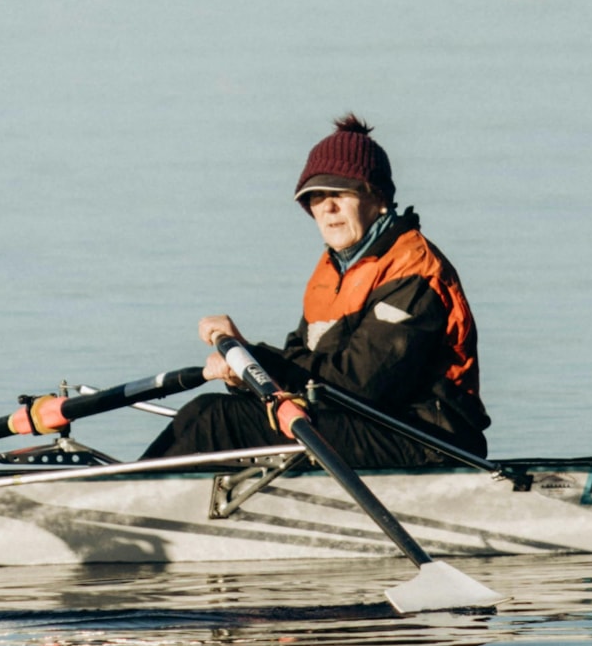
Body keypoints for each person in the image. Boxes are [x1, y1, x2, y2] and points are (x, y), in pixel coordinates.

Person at [145, 115, 487, 467]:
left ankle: (119, 499)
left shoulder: (414, 273)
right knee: (201, 413)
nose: (328, 208)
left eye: (340, 193)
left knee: (216, 418)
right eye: (316, 197)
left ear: (378, 197)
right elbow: (300, 357)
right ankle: (125, 491)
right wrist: (244, 374)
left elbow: (360, 385)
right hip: (365, 425)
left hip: (430, 441)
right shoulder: (334, 271)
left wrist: (255, 356)